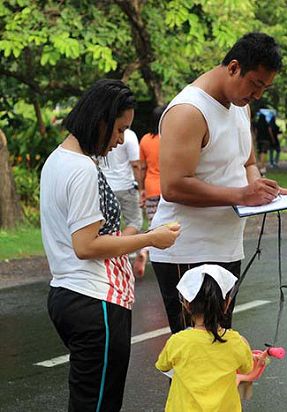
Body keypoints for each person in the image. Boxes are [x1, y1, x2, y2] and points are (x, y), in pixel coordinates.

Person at [40, 79, 180, 412]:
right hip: (94, 301)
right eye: (119, 130)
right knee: (100, 403)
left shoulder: (56, 160)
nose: (120, 141)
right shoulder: (82, 170)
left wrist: (131, 234)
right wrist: (150, 239)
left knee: (88, 398)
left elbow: (83, 233)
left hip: (66, 293)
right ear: (100, 120)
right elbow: (86, 245)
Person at [149, 32, 287, 334]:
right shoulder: (189, 111)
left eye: (265, 87)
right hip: (187, 250)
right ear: (234, 67)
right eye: (255, 84)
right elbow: (173, 186)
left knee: (220, 351)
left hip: (226, 247)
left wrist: (262, 190)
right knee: (195, 356)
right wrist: (241, 194)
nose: (258, 95)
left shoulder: (240, 105)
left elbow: (248, 163)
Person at [156, 264, 254, 411]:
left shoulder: (177, 341)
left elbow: (163, 365)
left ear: (187, 305)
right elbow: (248, 368)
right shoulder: (236, 342)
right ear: (226, 304)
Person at [133, 104, 168, 277]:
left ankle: (145, 250)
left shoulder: (145, 140)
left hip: (151, 187)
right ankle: (162, 257)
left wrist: (141, 189)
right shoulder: (169, 138)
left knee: (154, 224)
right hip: (168, 189)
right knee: (169, 225)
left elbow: (141, 167)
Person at [99, 128, 143, 237]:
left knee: (107, 226)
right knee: (135, 222)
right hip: (126, 186)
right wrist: (141, 188)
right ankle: (118, 247)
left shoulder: (102, 135)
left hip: (105, 188)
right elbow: (135, 165)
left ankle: (111, 248)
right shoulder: (129, 135)